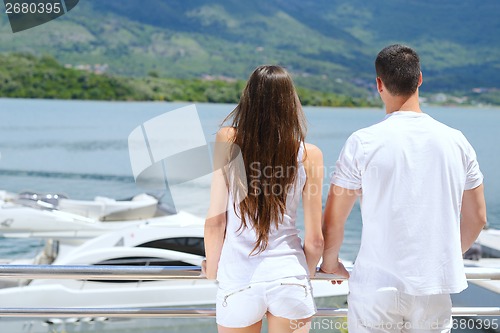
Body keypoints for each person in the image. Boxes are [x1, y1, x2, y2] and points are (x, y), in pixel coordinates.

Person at [320, 44, 487, 332]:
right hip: (433, 288)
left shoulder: (363, 141)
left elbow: (334, 218)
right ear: (420, 79)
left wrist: (330, 264)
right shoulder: (457, 141)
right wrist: (441, 258)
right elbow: (478, 218)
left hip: (376, 287)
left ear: (379, 84)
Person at [203, 65, 324, 333]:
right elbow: (315, 240)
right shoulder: (309, 155)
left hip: (238, 280)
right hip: (289, 277)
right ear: (290, 103)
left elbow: (215, 221)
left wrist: (212, 269)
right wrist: (308, 272)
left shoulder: (228, 139)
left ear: (249, 99)